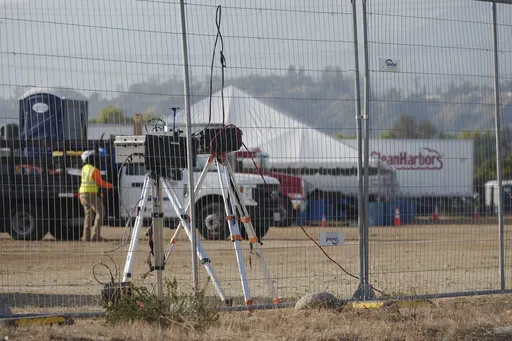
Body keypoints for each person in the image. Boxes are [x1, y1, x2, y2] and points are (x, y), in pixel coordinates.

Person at [79, 150, 113, 242]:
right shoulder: (94, 169)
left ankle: (86, 237)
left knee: (88, 215)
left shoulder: (84, 168)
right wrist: (111, 186)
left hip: (82, 194)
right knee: (100, 212)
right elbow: (99, 182)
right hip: (91, 194)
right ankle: (95, 236)